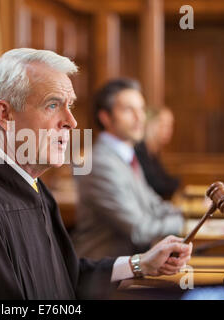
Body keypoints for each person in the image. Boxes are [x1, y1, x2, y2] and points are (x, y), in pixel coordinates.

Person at [0, 50, 192, 299]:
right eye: (53, 105)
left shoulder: (32, 184)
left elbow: (66, 276)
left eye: (70, 105)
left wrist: (141, 264)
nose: (71, 121)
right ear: (5, 114)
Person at [72, 78, 184, 259]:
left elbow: (153, 205)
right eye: (128, 110)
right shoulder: (97, 162)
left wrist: (192, 214)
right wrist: (183, 222)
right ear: (105, 117)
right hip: (106, 275)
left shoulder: (125, 154)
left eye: (141, 109)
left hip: (135, 266)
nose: (139, 117)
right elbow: (138, 230)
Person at [135, 107, 180, 200]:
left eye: (170, 126)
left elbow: (166, 180)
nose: (169, 131)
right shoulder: (138, 150)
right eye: (164, 125)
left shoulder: (153, 152)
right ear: (150, 125)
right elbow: (157, 186)